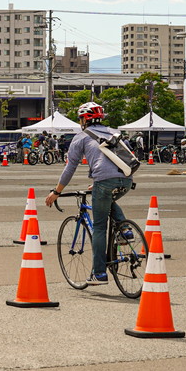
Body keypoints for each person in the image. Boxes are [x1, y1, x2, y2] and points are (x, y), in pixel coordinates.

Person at [45, 102, 140, 286]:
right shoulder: (114, 132)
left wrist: (57, 191)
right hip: (126, 179)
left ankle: (99, 274)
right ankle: (125, 230)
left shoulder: (81, 137)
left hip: (104, 182)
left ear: (84, 120)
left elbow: (70, 167)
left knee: (99, 227)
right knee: (106, 200)